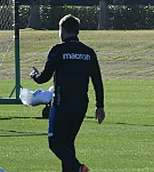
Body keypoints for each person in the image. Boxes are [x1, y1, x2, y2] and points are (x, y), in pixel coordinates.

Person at [30, 14, 105, 172]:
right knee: (68, 143)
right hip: (81, 104)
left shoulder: (58, 51)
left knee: (55, 142)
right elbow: (97, 81)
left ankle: (79, 168)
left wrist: (34, 76)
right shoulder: (88, 52)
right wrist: (100, 106)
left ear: (62, 30)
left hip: (62, 103)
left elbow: (45, 77)